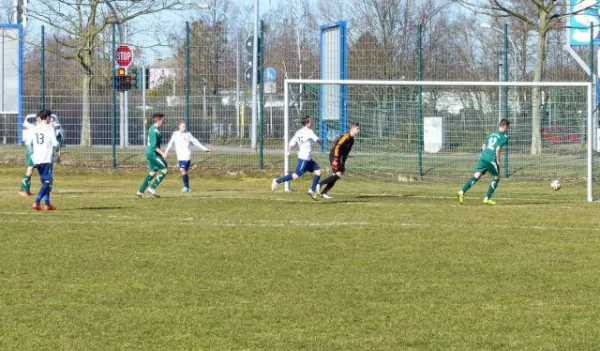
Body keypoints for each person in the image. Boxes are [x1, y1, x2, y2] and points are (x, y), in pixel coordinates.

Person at [457, 118, 510, 206]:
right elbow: (498, 149)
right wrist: (498, 160)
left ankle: (462, 192)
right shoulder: (504, 137)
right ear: (504, 126)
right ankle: (487, 198)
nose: (507, 129)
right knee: (497, 177)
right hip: (491, 159)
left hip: (483, 156)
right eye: (508, 127)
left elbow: (483, 146)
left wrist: (483, 155)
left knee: (477, 175)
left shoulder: (492, 134)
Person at [271, 115, 321, 200]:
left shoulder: (298, 132)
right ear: (307, 123)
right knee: (296, 175)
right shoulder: (309, 132)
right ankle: (276, 181)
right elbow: (317, 140)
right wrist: (323, 143)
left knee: (318, 172)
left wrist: (288, 151)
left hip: (308, 159)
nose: (311, 122)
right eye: (310, 121)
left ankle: (312, 190)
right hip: (304, 159)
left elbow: (291, 143)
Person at [24, 109, 59, 211]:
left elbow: (28, 144)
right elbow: (55, 143)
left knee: (45, 180)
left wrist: (32, 154)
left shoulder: (34, 128)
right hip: (46, 159)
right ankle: (37, 202)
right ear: (48, 117)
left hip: (37, 159)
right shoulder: (49, 129)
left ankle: (47, 204)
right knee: (48, 180)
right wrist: (58, 148)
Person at [164, 120, 211, 192]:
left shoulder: (188, 134)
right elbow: (170, 143)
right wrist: (165, 152)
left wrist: (205, 149)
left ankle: (186, 187)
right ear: (179, 126)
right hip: (180, 157)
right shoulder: (175, 134)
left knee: (182, 170)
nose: (184, 128)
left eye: (185, 126)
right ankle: (187, 187)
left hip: (187, 156)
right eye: (183, 126)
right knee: (183, 171)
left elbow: (196, 142)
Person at [317, 122, 360, 199]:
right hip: (334, 155)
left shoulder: (352, 140)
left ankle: (324, 192)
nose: (358, 130)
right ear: (352, 128)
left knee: (336, 176)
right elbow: (337, 146)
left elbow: (346, 153)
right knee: (338, 175)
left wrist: (343, 162)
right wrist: (336, 159)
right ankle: (320, 185)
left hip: (338, 157)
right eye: (357, 129)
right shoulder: (346, 136)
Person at [137, 113, 168, 198]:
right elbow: (154, 146)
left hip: (149, 153)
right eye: (162, 120)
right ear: (159, 120)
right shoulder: (155, 131)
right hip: (153, 153)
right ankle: (152, 188)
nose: (163, 122)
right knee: (164, 169)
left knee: (153, 172)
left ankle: (140, 191)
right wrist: (163, 153)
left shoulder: (151, 128)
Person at [19, 112, 42, 197]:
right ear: (38, 120)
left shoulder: (41, 128)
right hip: (31, 152)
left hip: (37, 152)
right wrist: (32, 153)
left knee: (31, 170)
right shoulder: (34, 129)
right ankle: (22, 190)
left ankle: (27, 190)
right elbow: (28, 143)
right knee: (30, 169)